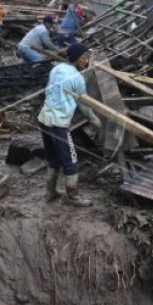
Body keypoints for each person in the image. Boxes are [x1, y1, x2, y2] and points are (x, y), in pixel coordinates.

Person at [37, 43, 101, 206]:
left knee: (53, 157)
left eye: (87, 57)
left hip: (44, 119)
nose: (86, 61)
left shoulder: (56, 69)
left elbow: (48, 91)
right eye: (83, 58)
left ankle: (49, 193)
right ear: (75, 58)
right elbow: (83, 104)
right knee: (70, 159)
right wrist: (94, 120)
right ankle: (73, 196)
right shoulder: (77, 78)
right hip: (59, 123)